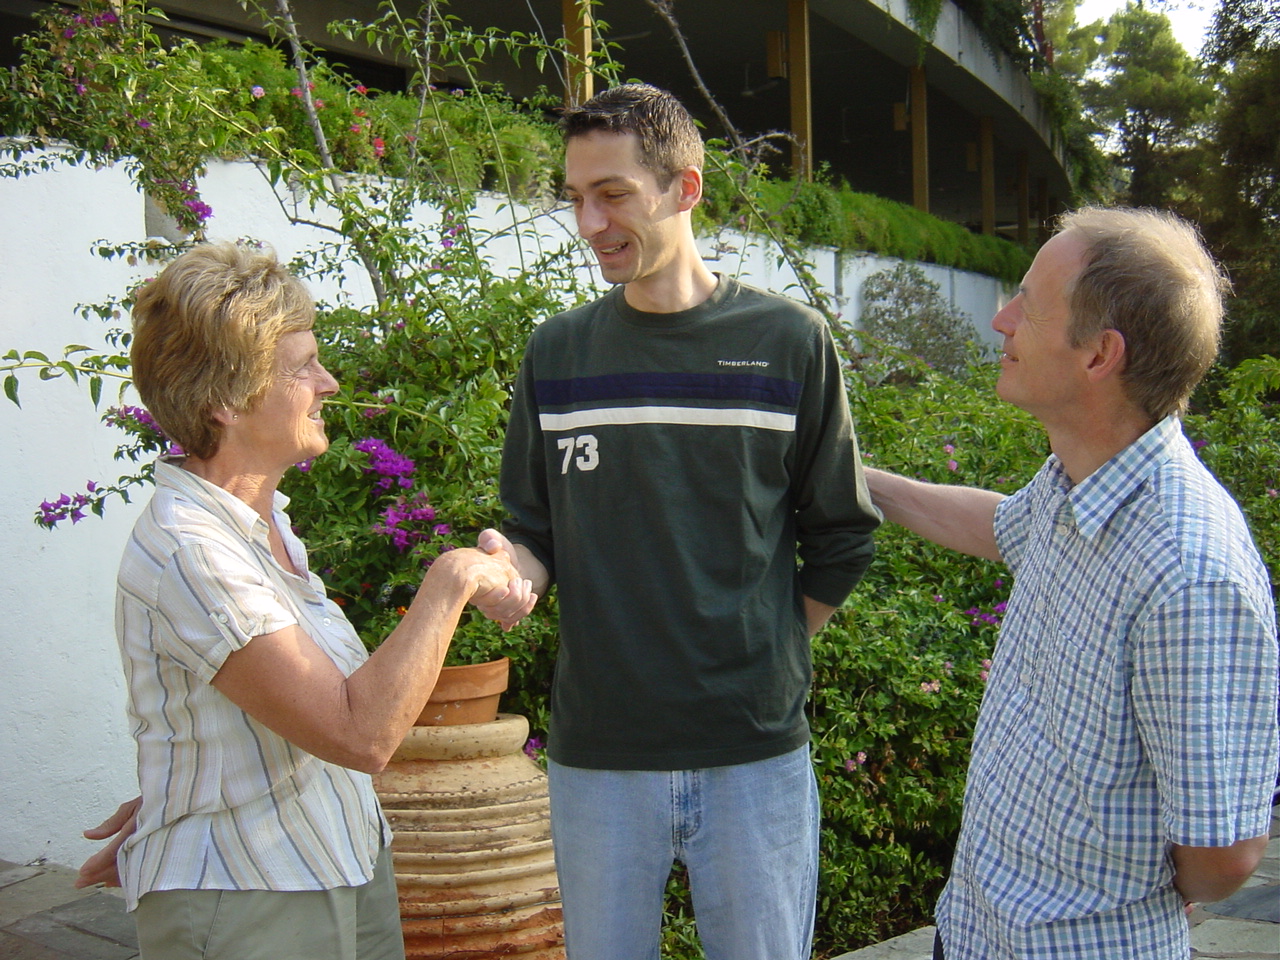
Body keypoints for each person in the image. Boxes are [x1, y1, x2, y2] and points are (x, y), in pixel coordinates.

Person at [473, 83, 881, 960]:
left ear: (685, 189)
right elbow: (534, 529)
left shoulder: (790, 343)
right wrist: (514, 574)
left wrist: (765, 642)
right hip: (598, 758)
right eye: (575, 197)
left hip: (754, 757)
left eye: (612, 193)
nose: (589, 221)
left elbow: (843, 532)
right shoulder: (558, 354)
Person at [73, 242, 535, 960]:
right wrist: (454, 580)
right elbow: (359, 733)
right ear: (224, 400)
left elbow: (255, 716)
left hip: (336, 863)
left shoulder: (265, 527)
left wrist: (181, 789)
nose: (327, 381)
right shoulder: (191, 552)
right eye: (302, 366)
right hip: (252, 896)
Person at [863, 207, 1279, 960]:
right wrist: (854, 480)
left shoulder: (1187, 575)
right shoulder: (1076, 483)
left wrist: (1115, 888)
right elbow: (1001, 527)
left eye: (1029, 302)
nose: (1001, 320)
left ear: (1099, 356)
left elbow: (1225, 858)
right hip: (976, 934)